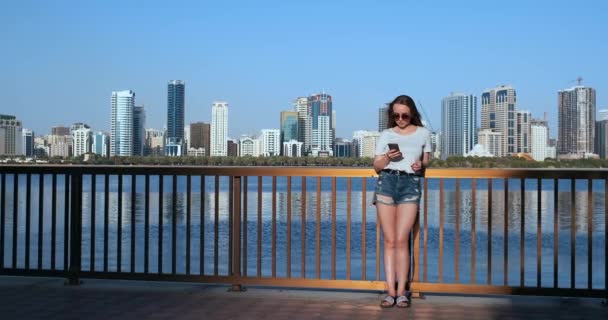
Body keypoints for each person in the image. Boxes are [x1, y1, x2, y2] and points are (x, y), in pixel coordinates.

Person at [373, 95, 431, 308]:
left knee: (401, 240)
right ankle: (390, 292)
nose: (400, 119)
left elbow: (425, 160)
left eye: (404, 115)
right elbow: (376, 166)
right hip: (386, 182)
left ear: (412, 114)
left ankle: (402, 292)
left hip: (410, 185)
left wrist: (419, 166)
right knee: (389, 241)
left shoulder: (424, 133)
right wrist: (388, 157)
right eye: (395, 115)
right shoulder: (386, 134)